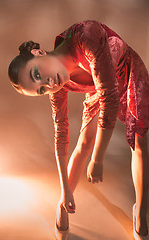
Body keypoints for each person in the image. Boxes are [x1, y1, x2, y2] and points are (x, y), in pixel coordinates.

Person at [8, 20, 149, 240]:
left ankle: (141, 212)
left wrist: (98, 159)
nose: (48, 83)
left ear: (38, 52)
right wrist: (64, 191)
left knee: (139, 143)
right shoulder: (57, 85)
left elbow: (109, 101)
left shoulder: (86, 36)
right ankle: (63, 205)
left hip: (127, 71)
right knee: (84, 142)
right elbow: (61, 135)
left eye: (37, 75)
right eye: (41, 89)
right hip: (99, 84)